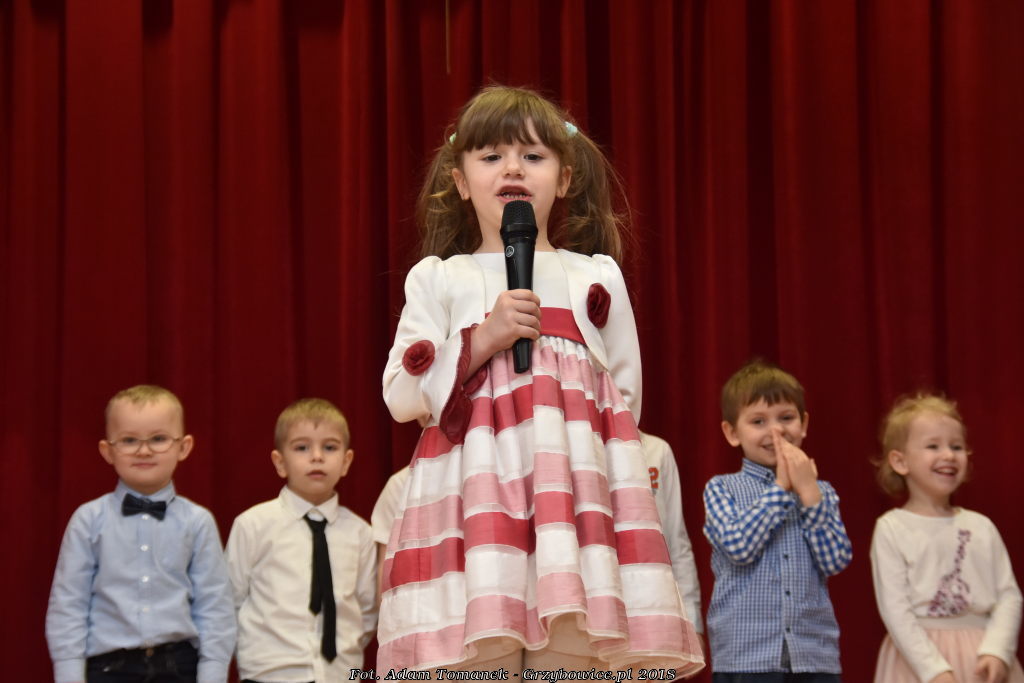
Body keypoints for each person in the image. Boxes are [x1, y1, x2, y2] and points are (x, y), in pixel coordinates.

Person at [379, 85, 703, 675]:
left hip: (571, 510)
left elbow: (625, 396)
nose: (513, 168)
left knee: (571, 652)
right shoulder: (440, 278)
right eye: (491, 156)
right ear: (460, 181)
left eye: (533, 156)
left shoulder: (593, 275)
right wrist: (482, 339)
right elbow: (401, 393)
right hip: (475, 507)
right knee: (482, 650)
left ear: (565, 177)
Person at [45, 384, 235, 683]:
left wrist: (213, 674)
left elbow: (214, 605)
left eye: (158, 439)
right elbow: (69, 604)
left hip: (179, 668)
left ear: (184, 447)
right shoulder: (88, 519)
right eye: (129, 440)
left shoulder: (198, 521)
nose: (144, 450)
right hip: (108, 669)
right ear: (108, 451)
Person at [703, 360, 852, 682]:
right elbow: (738, 547)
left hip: (814, 656)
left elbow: (835, 561)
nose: (777, 431)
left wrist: (809, 492)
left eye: (786, 418)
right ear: (732, 432)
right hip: (746, 657)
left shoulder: (821, 491)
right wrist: (782, 487)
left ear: (804, 424)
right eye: (758, 421)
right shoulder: (721, 488)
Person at [871, 394, 1024, 683]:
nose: (949, 455)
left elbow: (1008, 595)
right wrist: (934, 671)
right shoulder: (892, 528)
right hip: (919, 663)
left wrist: (997, 651)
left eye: (957, 446)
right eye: (933, 446)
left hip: (981, 659)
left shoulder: (981, 526)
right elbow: (895, 610)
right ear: (900, 461)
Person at [225, 398, 377, 682]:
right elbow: (230, 600)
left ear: (346, 462)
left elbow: (367, 611)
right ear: (280, 462)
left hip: (340, 675)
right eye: (302, 448)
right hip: (268, 674)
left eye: (329, 447)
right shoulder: (252, 525)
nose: (316, 456)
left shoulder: (361, 533)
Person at [641, 432, 704, 637]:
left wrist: (692, 622)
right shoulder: (577, 446)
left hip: (655, 606)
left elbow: (677, 541)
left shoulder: (657, 450)